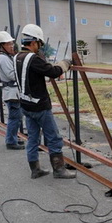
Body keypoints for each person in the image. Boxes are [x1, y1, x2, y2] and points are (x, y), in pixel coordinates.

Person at [13, 24, 76, 179]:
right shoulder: (33, 59)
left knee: (33, 137)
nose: (39, 48)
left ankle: (35, 169)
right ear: (34, 42)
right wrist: (65, 63)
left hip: (26, 105)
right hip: (39, 107)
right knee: (53, 137)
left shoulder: (16, 57)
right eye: (39, 44)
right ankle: (59, 170)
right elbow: (53, 72)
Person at [0, 31, 24, 150]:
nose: (12, 46)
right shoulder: (3, 58)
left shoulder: (7, 57)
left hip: (13, 92)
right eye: (8, 44)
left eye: (12, 43)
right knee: (14, 118)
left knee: (16, 118)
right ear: (2, 46)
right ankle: (11, 141)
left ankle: (13, 138)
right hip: (11, 92)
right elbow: (12, 75)